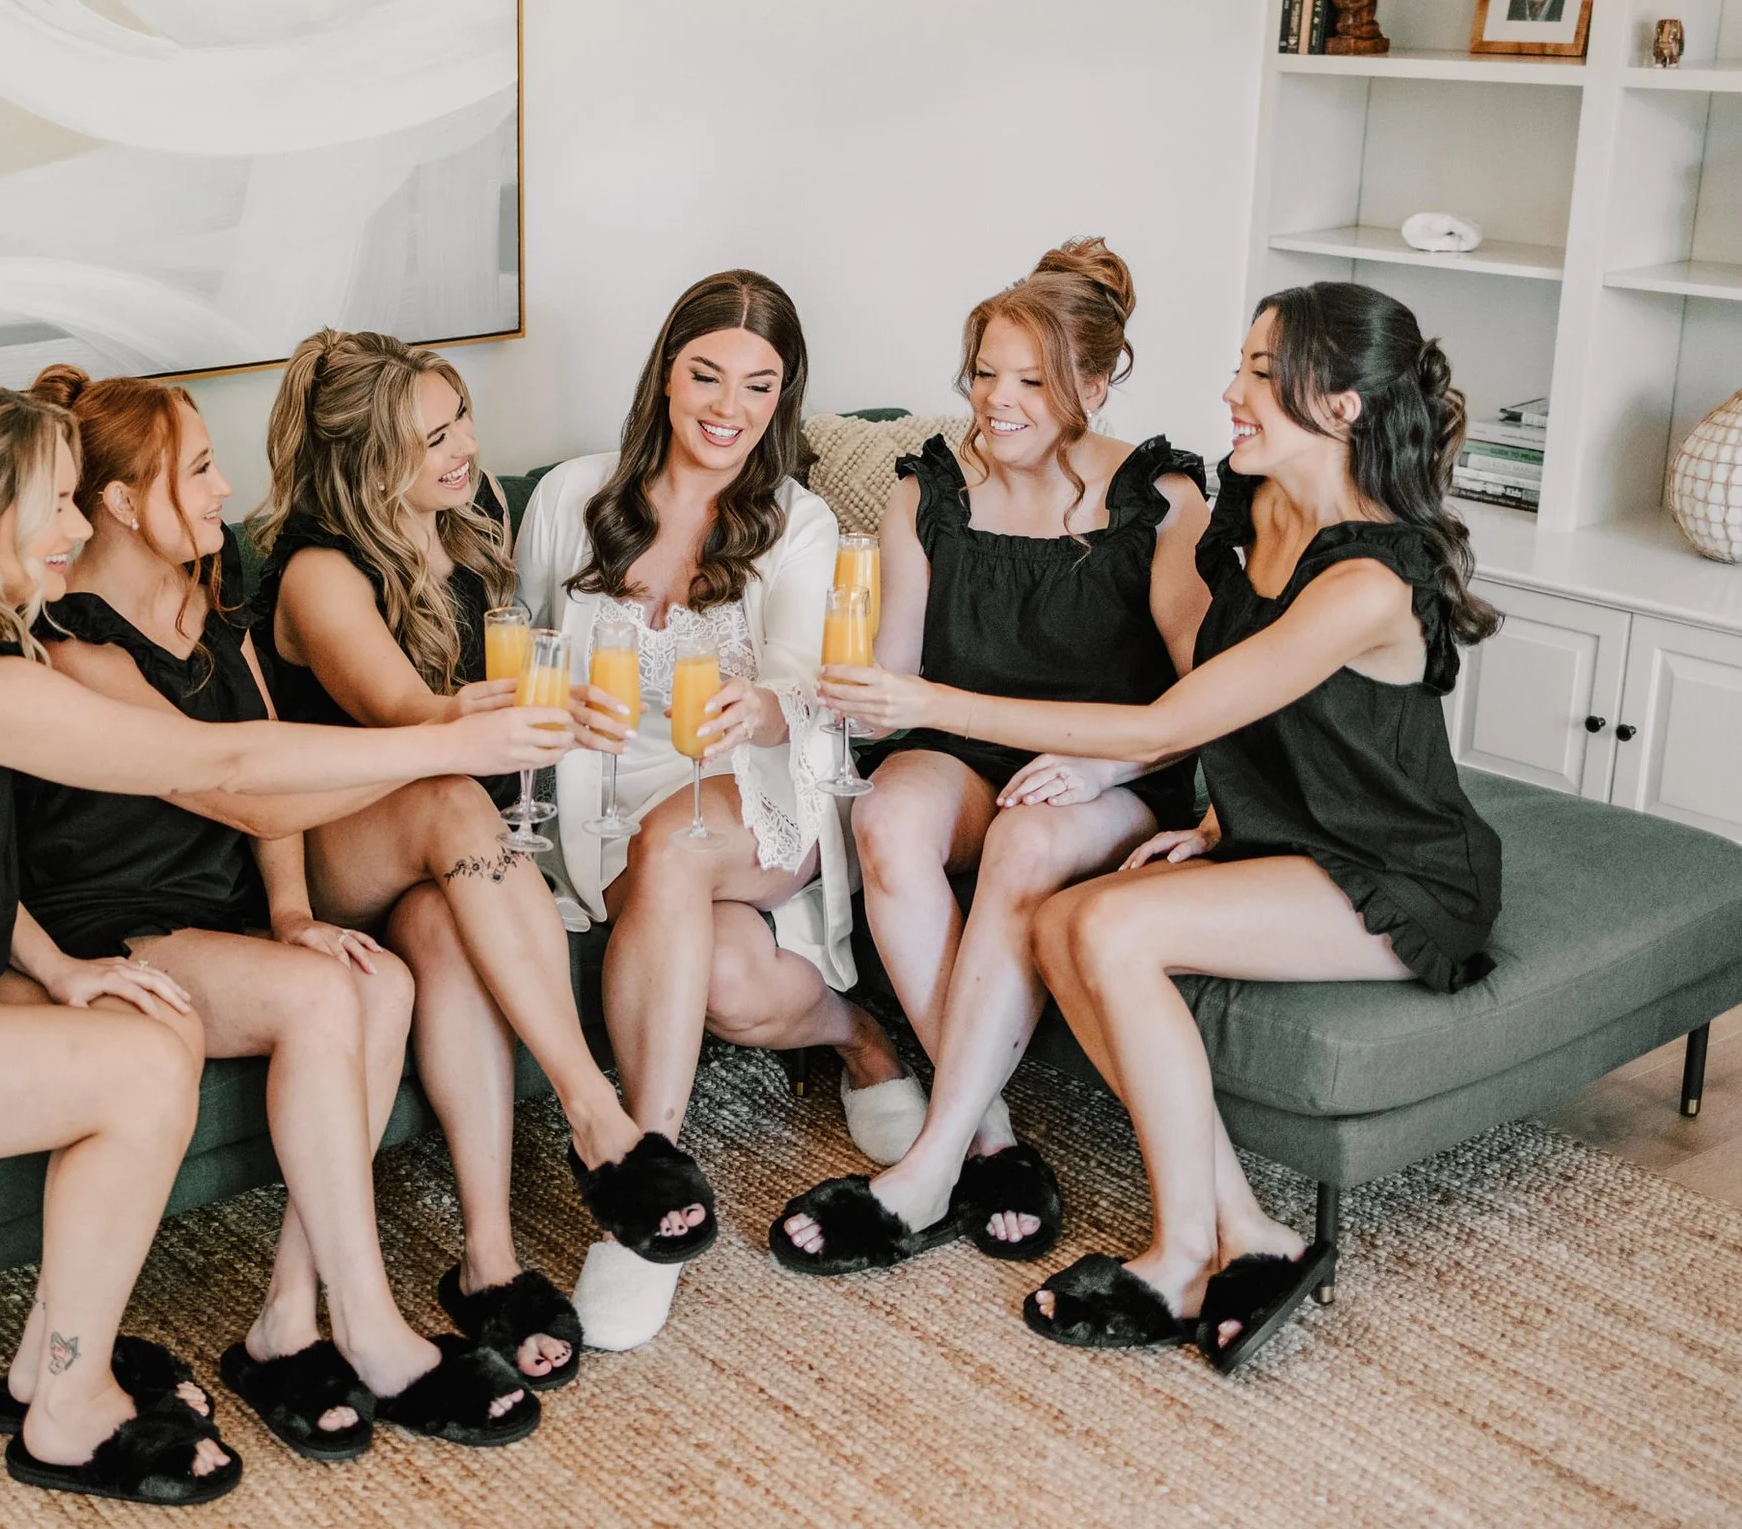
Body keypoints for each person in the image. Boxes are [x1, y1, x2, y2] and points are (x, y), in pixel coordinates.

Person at [0, 378, 571, 1506]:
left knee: (137, 1011)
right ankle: (66, 1408)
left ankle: (40, 1362)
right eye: (54, 503)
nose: (80, 525)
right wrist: (455, 739)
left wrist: (54, 964)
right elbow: (221, 769)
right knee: (145, 1060)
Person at [797, 282, 1501, 1372]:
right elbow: (1248, 711)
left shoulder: (1369, 577)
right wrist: (1219, 818)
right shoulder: (1256, 509)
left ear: (1345, 405)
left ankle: (1180, 1253)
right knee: (1067, 922)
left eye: (1261, 372)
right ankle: (1253, 1234)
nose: (1230, 389)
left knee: (1108, 928)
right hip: (1278, 839)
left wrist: (936, 705)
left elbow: (1174, 714)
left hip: (1392, 869)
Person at [14, 362, 546, 1458]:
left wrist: (296, 906)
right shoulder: (73, 640)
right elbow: (224, 780)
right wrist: (444, 739)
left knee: (375, 973)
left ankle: (287, 1318)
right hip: (110, 923)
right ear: (121, 501)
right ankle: (373, 1329)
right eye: (199, 469)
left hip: (216, 912)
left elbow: (276, 784)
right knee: (316, 995)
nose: (224, 490)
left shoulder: (211, 596)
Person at [251, 327, 716, 1375]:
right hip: (337, 835)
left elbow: (512, 684)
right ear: (365, 462)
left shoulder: (470, 519)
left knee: (446, 929)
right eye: (430, 438)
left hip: (437, 859)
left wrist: (571, 706)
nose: (462, 449)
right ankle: (598, 1114)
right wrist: (509, 706)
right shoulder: (321, 571)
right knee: (455, 795)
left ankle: (488, 1261)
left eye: (460, 418)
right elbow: (407, 718)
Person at [771, 240, 1209, 1276]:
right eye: (983, 372)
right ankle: (991, 1138)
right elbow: (900, 680)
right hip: (965, 740)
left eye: (1031, 379)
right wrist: (827, 692)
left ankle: (926, 1164)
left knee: (1025, 834)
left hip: (1114, 762)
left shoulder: (1161, 498)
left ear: (1095, 386)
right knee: (881, 815)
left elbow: (1202, 697)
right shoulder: (928, 489)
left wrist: (1101, 767)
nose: (996, 401)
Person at [513, 270, 884, 1351]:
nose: (728, 407)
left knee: (676, 839)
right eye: (706, 375)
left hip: (751, 785)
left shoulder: (795, 521)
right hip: (599, 797)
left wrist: (762, 703)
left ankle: (645, 1193)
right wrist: (550, 703)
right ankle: (859, 1035)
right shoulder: (574, 497)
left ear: (783, 399)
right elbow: (527, 645)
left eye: (758, 386)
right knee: (724, 975)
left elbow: (810, 689)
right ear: (665, 374)